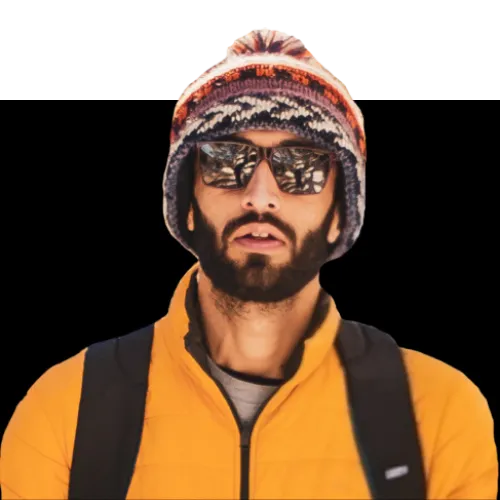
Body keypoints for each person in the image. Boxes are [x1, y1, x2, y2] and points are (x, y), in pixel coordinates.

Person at [1, 27, 497, 499]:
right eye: (225, 160)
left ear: (339, 213)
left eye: (301, 167)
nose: (260, 196)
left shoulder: (437, 416)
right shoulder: (66, 412)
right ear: (187, 203)